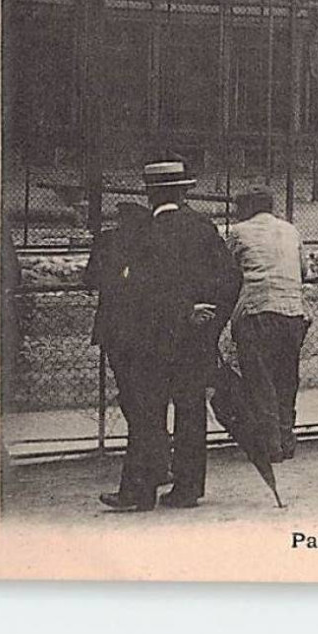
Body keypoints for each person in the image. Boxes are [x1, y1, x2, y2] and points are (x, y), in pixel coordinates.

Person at [106, 157, 240, 511]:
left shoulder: (145, 233)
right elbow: (230, 278)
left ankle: (140, 491)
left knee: (148, 413)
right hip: (194, 342)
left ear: (150, 193)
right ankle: (188, 488)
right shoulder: (203, 226)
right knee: (191, 411)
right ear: (183, 190)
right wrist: (209, 321)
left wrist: (179, 311)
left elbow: (145, 289)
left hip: (153, 338)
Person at [227, 188, 308, 465]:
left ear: (248, 207)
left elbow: (229, 271)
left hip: (257, 311)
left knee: (260, 381)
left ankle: (270, 444)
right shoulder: (291, 230)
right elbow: (304, 270)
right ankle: (287, 439)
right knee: (287, 378)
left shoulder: (238, 231)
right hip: (293, 311)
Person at [88, 202, 154, 506]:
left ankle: (138, 487)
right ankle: (157, 466)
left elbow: (90, 280)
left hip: (116, 333)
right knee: (146, 405)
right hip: (148, 333)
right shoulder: (151, 241)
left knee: (134, 405)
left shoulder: (107, 241)